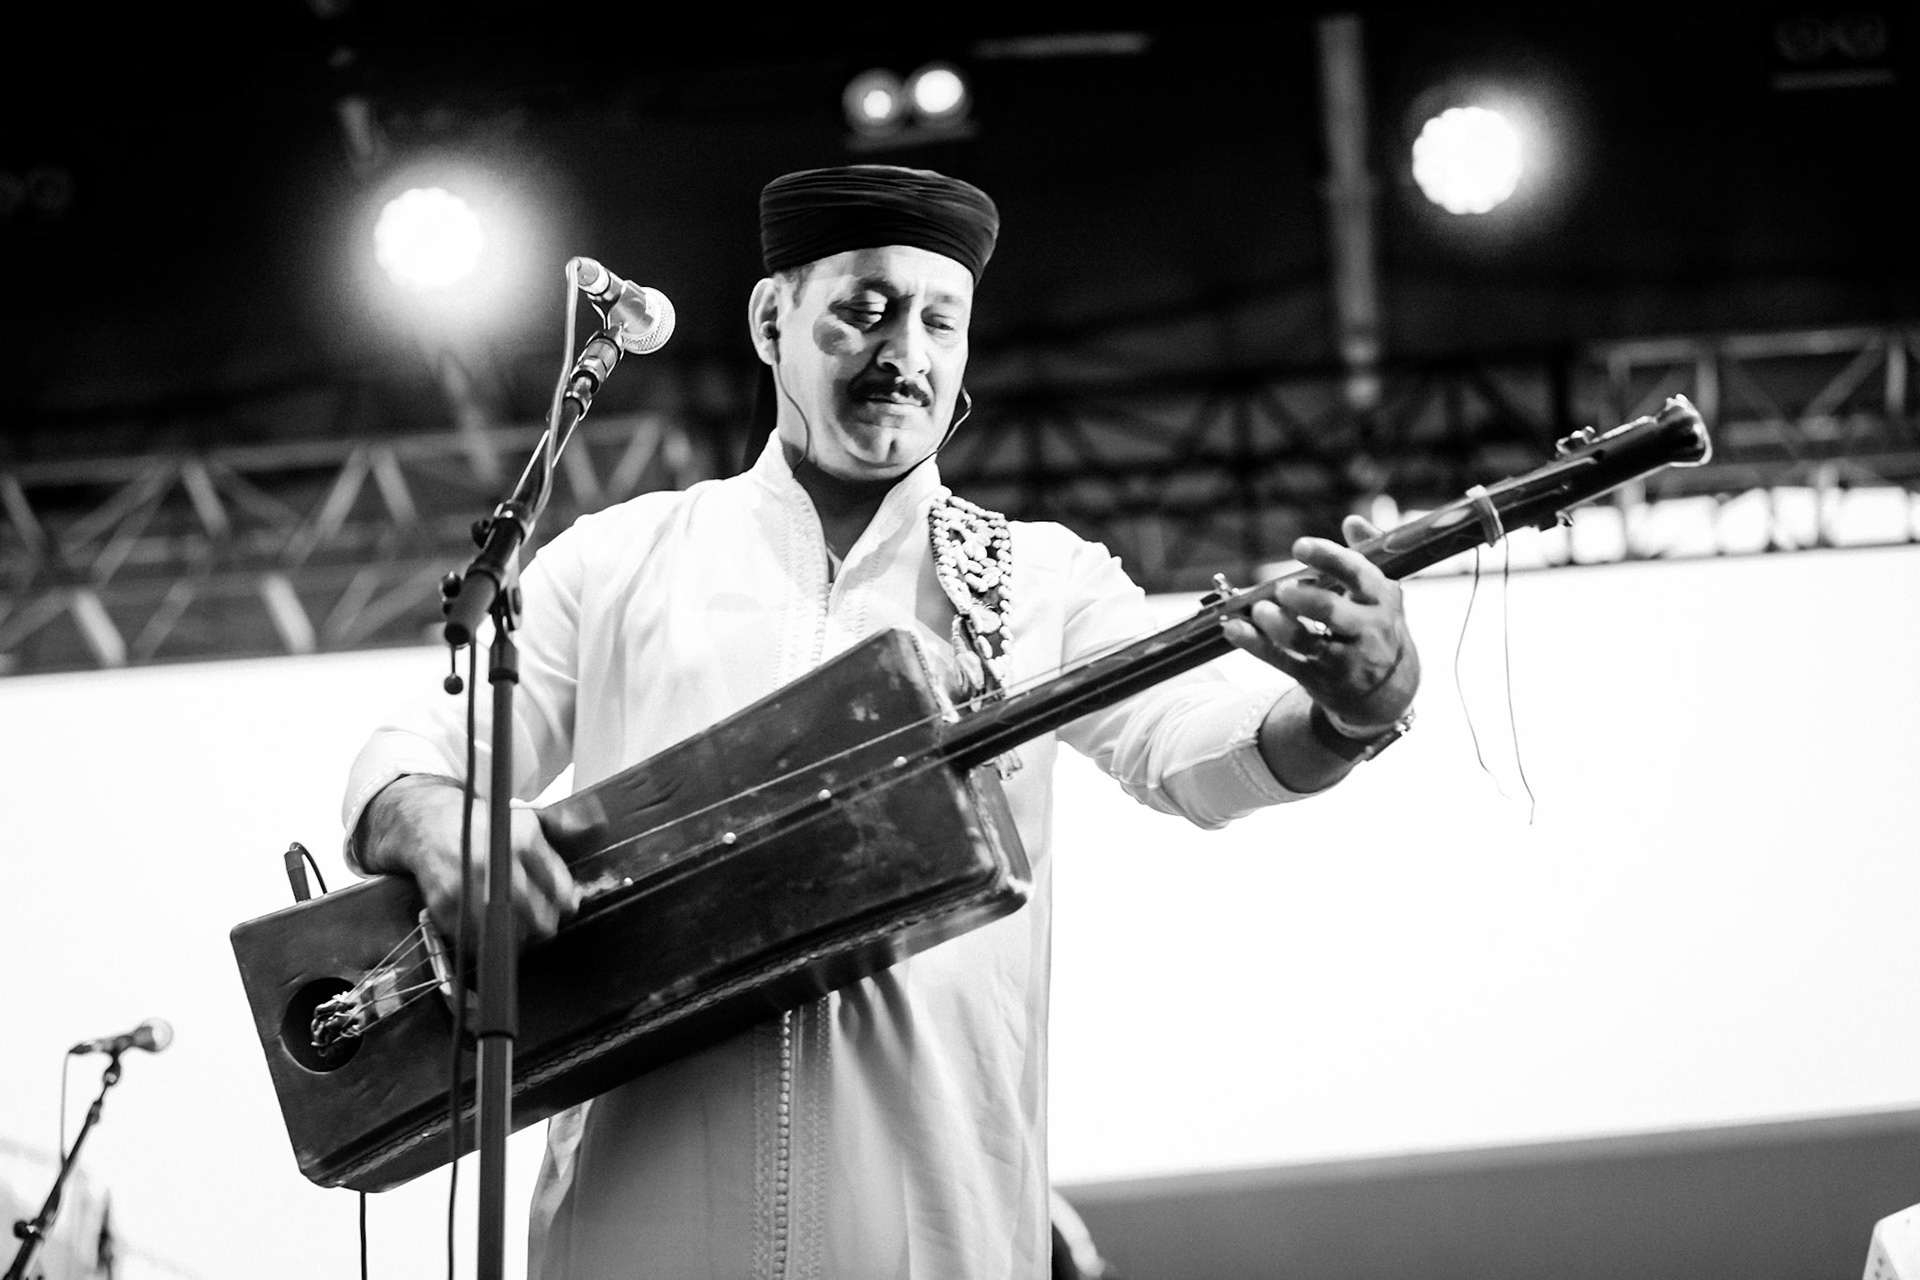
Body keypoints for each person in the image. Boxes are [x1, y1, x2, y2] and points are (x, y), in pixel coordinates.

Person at [341, 163, 1420, 1278]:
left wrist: (1345, 716)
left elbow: (1191, 751)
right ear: (773, 318)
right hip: (634, 1232)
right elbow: (408, 753)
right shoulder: (623, 558)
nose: (903, 350)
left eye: (939, 320)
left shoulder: (1039, 577)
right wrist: (432, 818)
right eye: (864, 307)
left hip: (932, 1230)